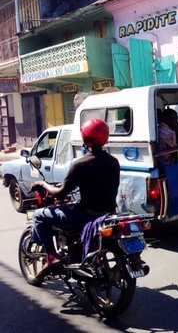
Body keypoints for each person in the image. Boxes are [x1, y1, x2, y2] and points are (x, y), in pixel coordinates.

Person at [30, 118, 120, 276]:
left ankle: (51, 257)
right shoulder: (114, 162)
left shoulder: (80, 164)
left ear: (85, 139)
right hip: (107, 213)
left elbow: (60, 194)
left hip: (85, 215)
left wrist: (43, 184)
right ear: (105, 138)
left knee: (39, 215)